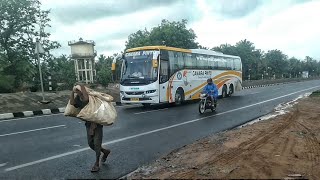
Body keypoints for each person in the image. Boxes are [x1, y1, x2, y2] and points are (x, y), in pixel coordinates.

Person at [69, 84, 110, 172]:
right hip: (88, 123)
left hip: (97, 123)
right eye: (76, 90)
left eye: (78, 90)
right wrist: (72, 91)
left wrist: (81, 86)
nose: (78, 92)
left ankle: (96, 164)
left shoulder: (88, 99)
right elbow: (72, 103)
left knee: (96, 144)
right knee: (90, 144)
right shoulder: (78, 98)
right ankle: (105, 151)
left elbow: (86, 99)